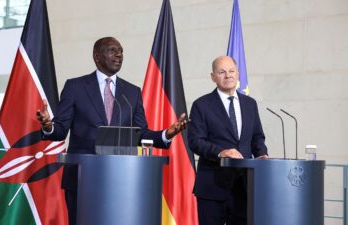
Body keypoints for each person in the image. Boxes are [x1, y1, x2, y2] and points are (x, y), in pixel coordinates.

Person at [37, 37, 188, 225]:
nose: (119, 55)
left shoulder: (132, 92)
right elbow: (60, 130)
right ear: (97, 56)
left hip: (121, 179)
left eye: (121, 51)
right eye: (112, 50)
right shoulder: (75, 87)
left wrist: (166, 134)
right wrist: (48, 126)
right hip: (82, 178)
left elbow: (140, 133)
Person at [187, 56, 268, 225]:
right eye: (221, 72)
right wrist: (220, 152)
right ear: (213, 77)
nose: (228, 75)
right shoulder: (201, 105)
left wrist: (262, 155)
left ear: (238, 73)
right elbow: (195, 141)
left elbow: (257, 137)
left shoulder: (250, 104)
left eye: (231, 71)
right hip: (212, 186)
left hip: (244, 187)